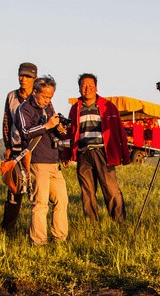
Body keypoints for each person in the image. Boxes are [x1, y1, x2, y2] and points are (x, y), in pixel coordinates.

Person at [61, 73, 130, 222]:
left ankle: (119, 220)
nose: (87, 89)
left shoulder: (108, 106)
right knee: (87, 192)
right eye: (84, 86)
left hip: (103, 153)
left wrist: (124, 155)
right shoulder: (75, 109)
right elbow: (69, 132)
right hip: (83, 154)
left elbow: (119, 130)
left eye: (90, 86)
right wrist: (66, 155)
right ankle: (91, 222)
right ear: (79, 88)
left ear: (96, 88)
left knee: (111, 189)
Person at [16, 75, 69, 246]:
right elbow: (25, 132)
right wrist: (47, 126)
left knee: (62, 200)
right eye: (45, 96)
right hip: (37, 161)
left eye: (50, 97)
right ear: (35, 92)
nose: (47, 100)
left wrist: (59, 129)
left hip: (53, 160)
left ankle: (60, 238)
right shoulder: (24, 109)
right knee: (41, 203)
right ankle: (38, 241)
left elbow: (51, 133)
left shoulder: (48, 108)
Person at [0, 62, 36, 234]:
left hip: (34, 148)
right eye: (21, 75)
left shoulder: (39, 96)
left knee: (37, 189)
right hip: (15, 147)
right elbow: (7, 121)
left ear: (34, 78)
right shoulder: (11, 96)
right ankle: (8, 228)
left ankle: (35, 229)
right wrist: (7, 145)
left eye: (28, 76)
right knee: (14, 190)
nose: (23, 79)